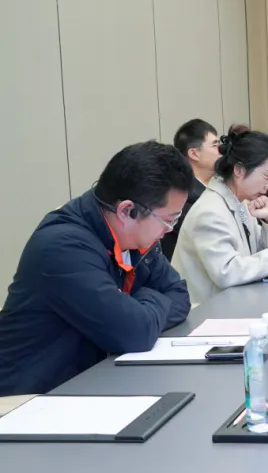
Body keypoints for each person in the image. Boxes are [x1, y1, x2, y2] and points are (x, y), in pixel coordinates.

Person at [0, 142, 193, 395]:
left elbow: (179, 294)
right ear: (127, 210)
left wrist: (137, 309)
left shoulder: (137, 238)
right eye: (169, 220)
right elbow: (135, 332)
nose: (169, 230)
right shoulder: (63, 247)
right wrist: (145, 304)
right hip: (33, 398)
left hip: (97, 381)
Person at [171, 127, 268, 304]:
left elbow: (259, 254)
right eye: (267, 177)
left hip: (235, 301)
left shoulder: (239, 201)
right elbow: (228, 272)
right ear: (239, 170)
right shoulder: (209, 211)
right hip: (207, 311)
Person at [161, 119, 219, 260]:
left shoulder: (216, 185)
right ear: (194, 154)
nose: (221, 151)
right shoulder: (181, 196)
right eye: (215, 145)